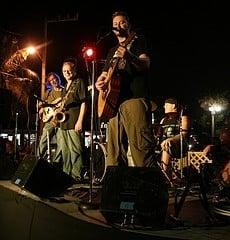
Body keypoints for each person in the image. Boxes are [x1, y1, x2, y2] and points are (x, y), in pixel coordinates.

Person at [95, 11, 156, 167]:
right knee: (114, 152)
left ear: (129, 25)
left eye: (122, 22)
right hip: (113, 105)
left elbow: (145, 64)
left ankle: (147, 189)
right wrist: (99, 83)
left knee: (141, 149)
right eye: (115, 24)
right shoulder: (111, 51)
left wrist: (129, 56)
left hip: (134, 99)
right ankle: (117, 188)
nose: (118, 26)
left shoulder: (138, 41)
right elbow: (103, 75)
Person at [54, 58, 88, 182]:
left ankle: (76, 176)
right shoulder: (64, 88)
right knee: (65, 151)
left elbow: (84, 103)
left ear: (74, 70)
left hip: (74, 120)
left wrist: (80, 121)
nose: (67, 73)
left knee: (76, 150)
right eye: (64, 71)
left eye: (69, 70)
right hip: (64, 122)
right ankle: (66, 175)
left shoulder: (79, 82)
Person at [157, 98, 190, 178]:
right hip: (163, 145)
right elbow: (159, 135)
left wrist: (171, 139)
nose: (164, 106)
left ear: (174, 106)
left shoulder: (182, 118)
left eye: (166, 105)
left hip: (179, 146)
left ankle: (165, 178)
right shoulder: (163, 120)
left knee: (166, 146)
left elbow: (184, 134)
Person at [37, 72, 63, 160]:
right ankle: (37, 159)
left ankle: (56, 163)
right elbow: (41, 105)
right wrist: (42, 109)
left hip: (60, 122)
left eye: (54, 79)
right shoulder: (48, 92)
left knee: (61, 144)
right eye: (51, 80)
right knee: (43, 141)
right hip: (49, 121)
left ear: (58, 79)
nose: (53, 81)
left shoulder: (65, 90)